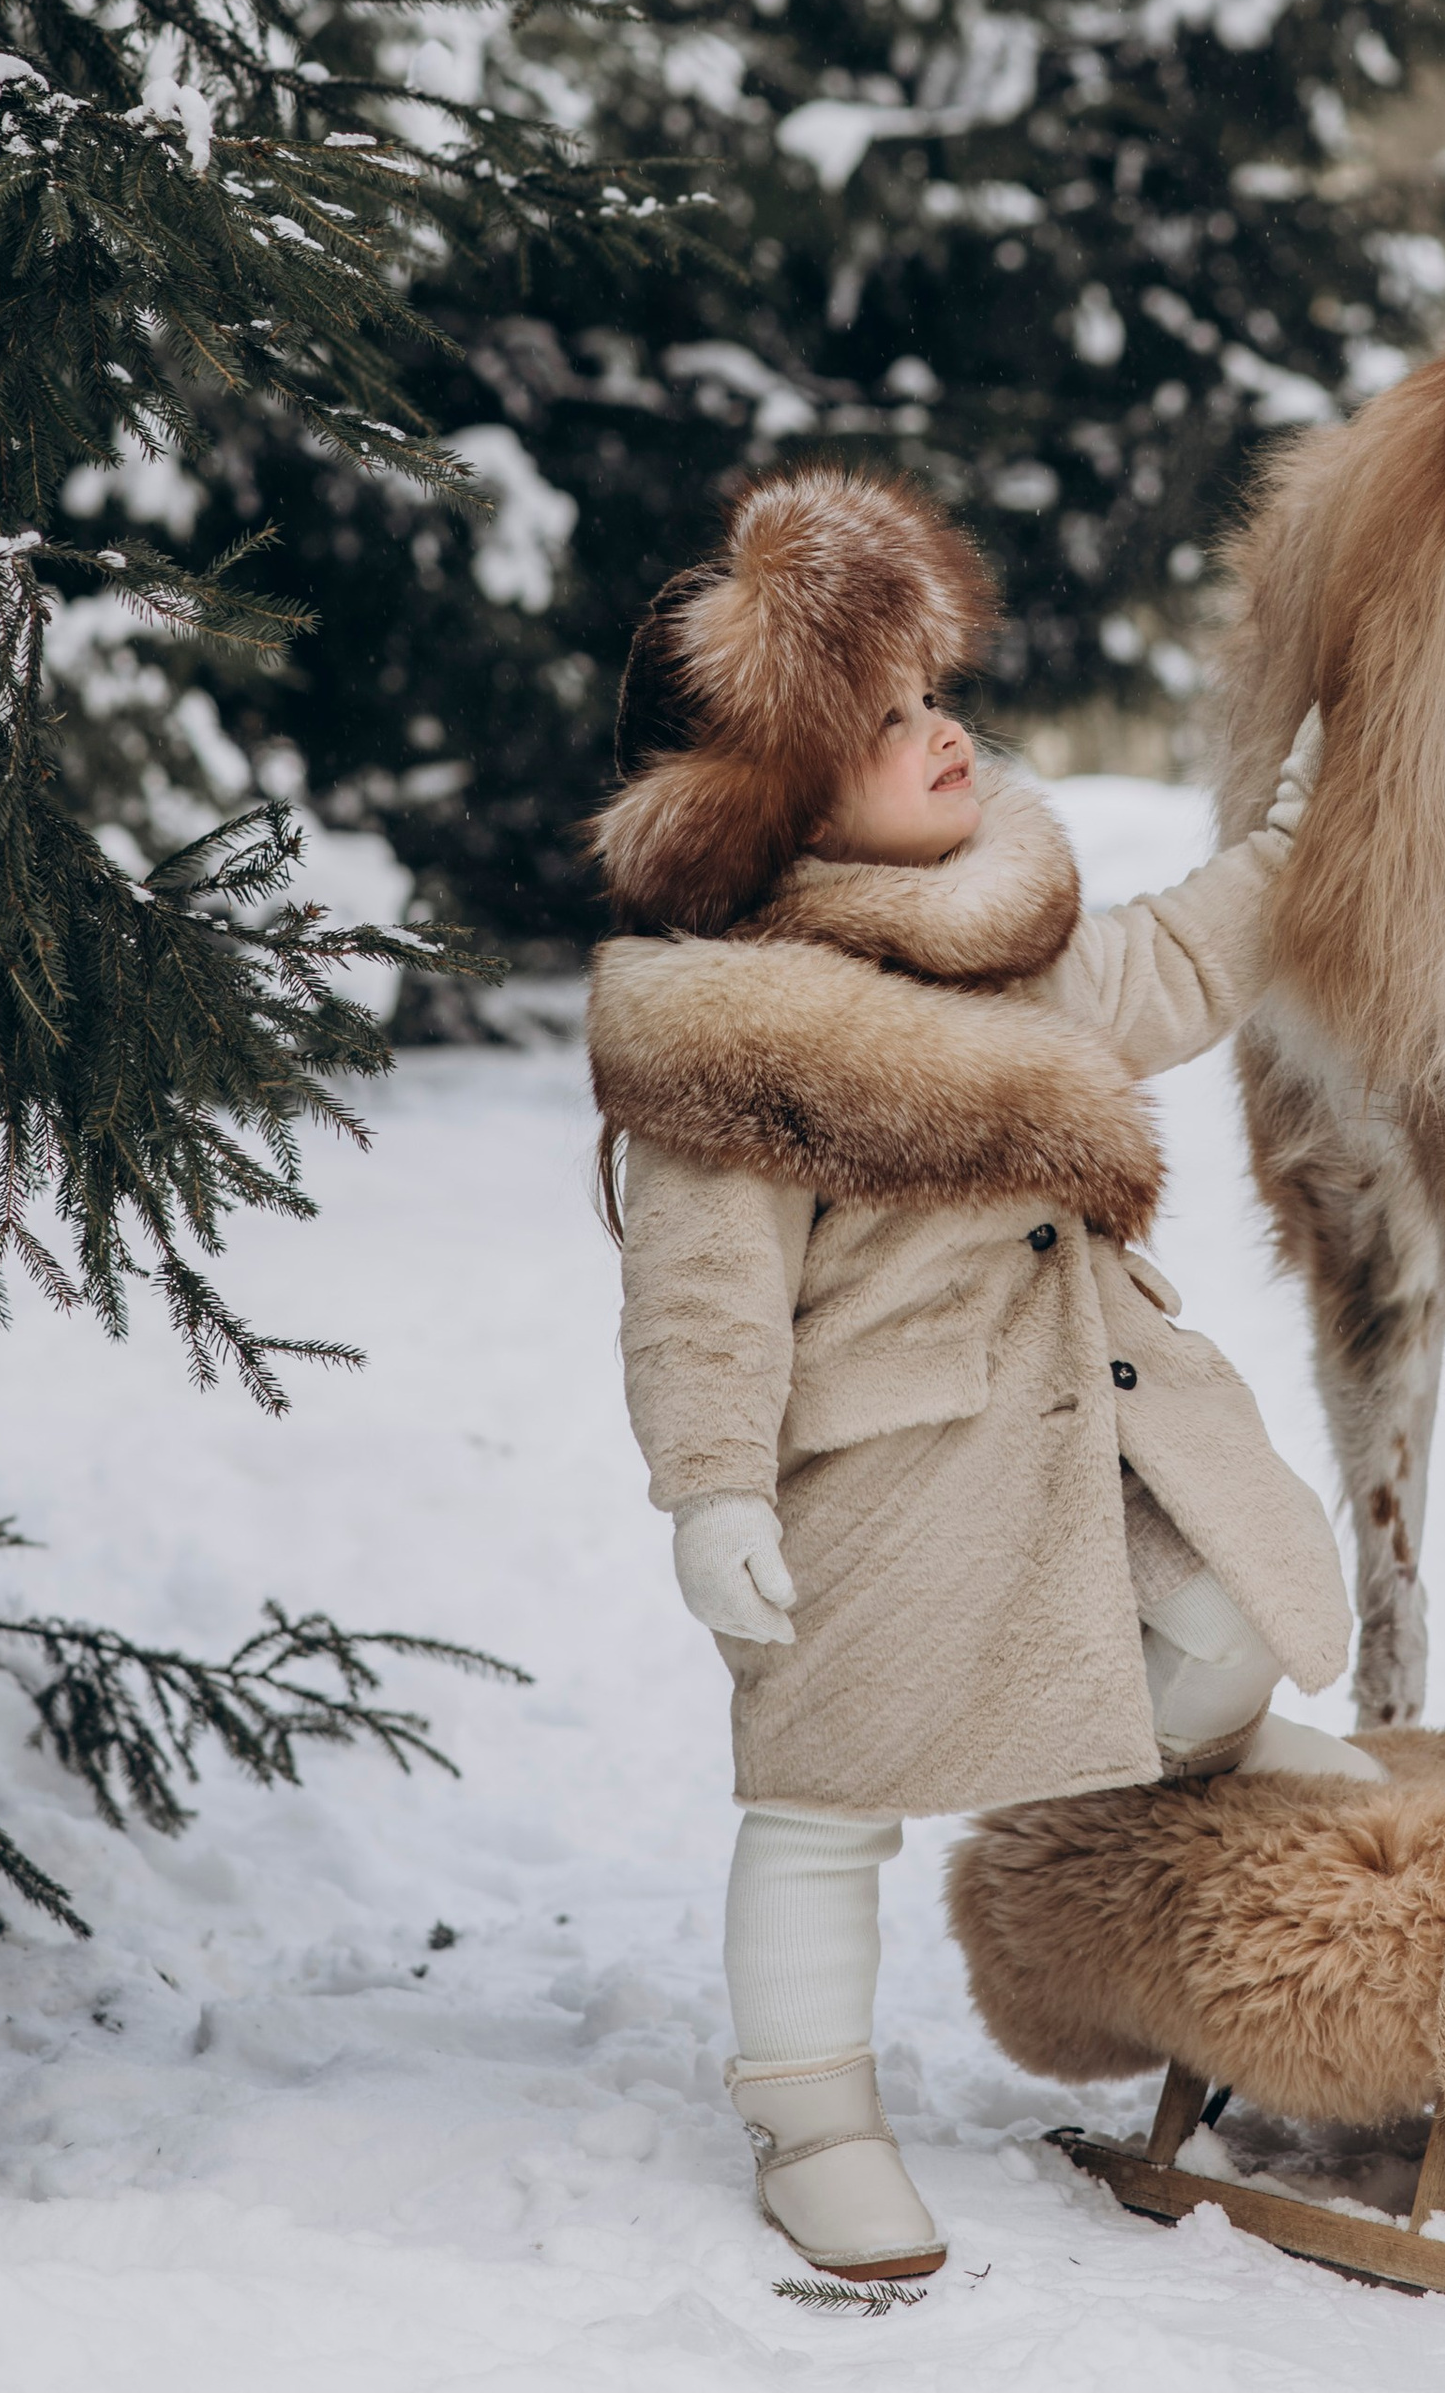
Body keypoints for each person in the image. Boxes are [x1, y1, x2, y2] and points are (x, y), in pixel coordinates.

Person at [585, 466, 1373, 2286]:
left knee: (1231, 1615)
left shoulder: (1006, 940)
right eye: (883, 721)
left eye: (936, 694)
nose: (943, 733)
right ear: (771, 806)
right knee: (822, 1806)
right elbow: (700, 1300)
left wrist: (1305, 831)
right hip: (867, 1494)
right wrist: (710, 1489)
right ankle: (812, 2111)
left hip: (1079, 1448)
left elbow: (1175, 962)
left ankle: (1196, 1768)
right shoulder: (736, 1038)